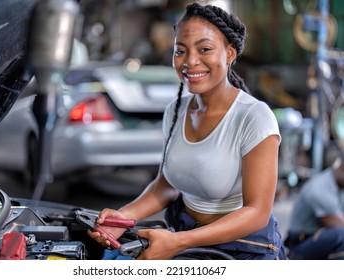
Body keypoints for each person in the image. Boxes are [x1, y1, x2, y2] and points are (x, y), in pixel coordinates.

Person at [88, 2, 286, 260]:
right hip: (186, 233)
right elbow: (165, 187)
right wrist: (123, 218)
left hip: (241, 249)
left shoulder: (254, 117)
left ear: (229, 53)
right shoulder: (175, 111)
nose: (190, 61)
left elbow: (257, 213)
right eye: (180, 51)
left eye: (204, 49)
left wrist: (178, 242)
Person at [285, 155, 344, 260]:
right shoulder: (320, 188)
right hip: (300, 245)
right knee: (341, 236)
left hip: (318, 238)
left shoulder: (338, 185)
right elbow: (340, 225)